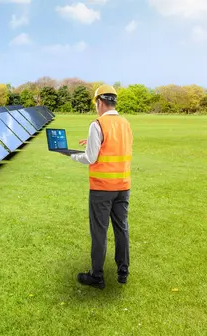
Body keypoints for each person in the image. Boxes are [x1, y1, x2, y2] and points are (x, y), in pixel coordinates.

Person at [70, 84, 133, 289]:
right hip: (123, 186)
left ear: (99, 102)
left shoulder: (97, 124)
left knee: (99, 232)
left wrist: (72, 155)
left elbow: (90, 157)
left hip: (101, 189)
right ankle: (123, 272)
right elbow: (114, 146)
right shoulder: (125, 123)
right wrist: (91, 142)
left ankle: (97, 276)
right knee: (121, 228)